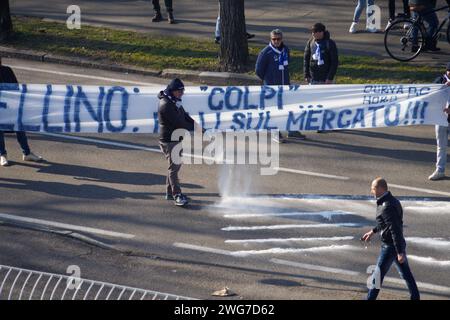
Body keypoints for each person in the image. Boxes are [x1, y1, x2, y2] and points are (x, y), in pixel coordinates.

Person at [362, 177, 420, 300]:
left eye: (373, 188)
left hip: (390, 247)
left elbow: (395, 229)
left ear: (380, 188)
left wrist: (399, 252)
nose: (371, 191)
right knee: (406, 274)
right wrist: (373, 231)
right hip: (396, 245)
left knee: (377, 276)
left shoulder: (386, 206)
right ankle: (415, 297)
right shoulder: (392, 201)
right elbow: (386, 224)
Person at [256, 29, 305, 143]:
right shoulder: (266, 52)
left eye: (278, 39)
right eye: (274, 39)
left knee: (289, 109)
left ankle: (292, 131)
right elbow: (258, 70)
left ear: (281, 39)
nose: (276, 41)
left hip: (285, 86)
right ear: (271, 39)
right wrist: (268, 80)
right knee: (274, 112)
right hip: (272, 88)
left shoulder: (285, 50)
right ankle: (275, 133)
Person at [158, 78, 202, 206]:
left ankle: (169, 193)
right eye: (180, 91)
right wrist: (196, 129)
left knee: (173, 167)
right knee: (174, 168)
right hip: (169, 141)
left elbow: (185, 116)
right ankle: (177, 194)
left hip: (175, 139)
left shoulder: (174, 101)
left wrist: (200, 128)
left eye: (183, 91)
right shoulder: (166, 105)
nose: (182, 93)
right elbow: (180, 123)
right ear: (173, 91)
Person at [0, 57, 43, 167]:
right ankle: (2, 155)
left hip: (10, 106)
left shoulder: (7, 70)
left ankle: (27, 153)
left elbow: (16, 87)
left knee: (20, 128)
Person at [428, 62, 450, 181]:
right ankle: (440, 170)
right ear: (446, 71)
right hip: (440, 119)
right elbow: (430, 96)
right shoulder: (439, 81)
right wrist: (443, 88)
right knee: (441, 146)